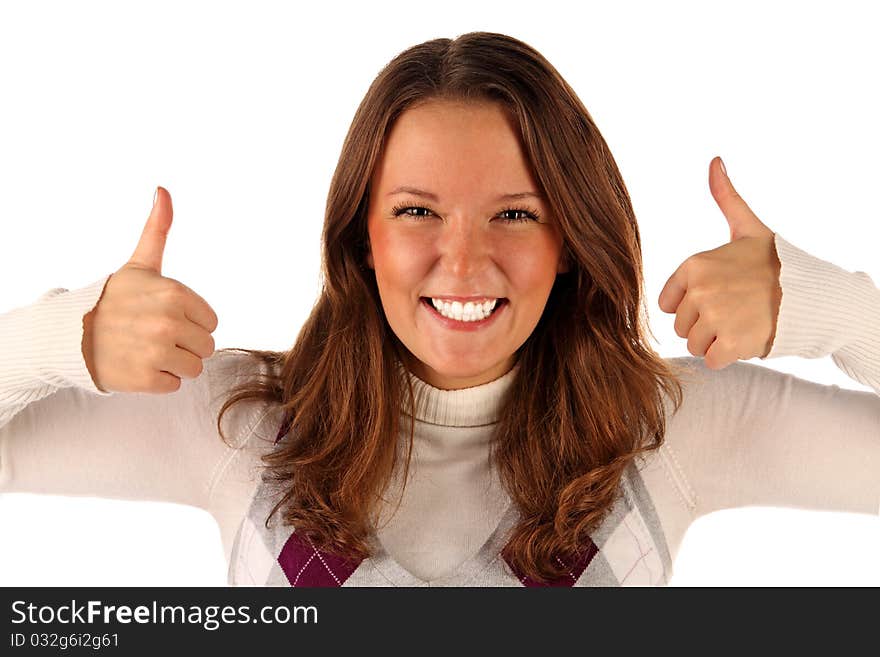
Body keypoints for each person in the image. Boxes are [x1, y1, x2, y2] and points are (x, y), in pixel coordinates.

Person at [1, 31, 878, 587]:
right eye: (417, 211)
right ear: (362, 236)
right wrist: (62, 339)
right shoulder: (237, 421)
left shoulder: (673, 428)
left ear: (571, 238)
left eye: (516, 214)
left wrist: (828, 312)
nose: (463, 261)